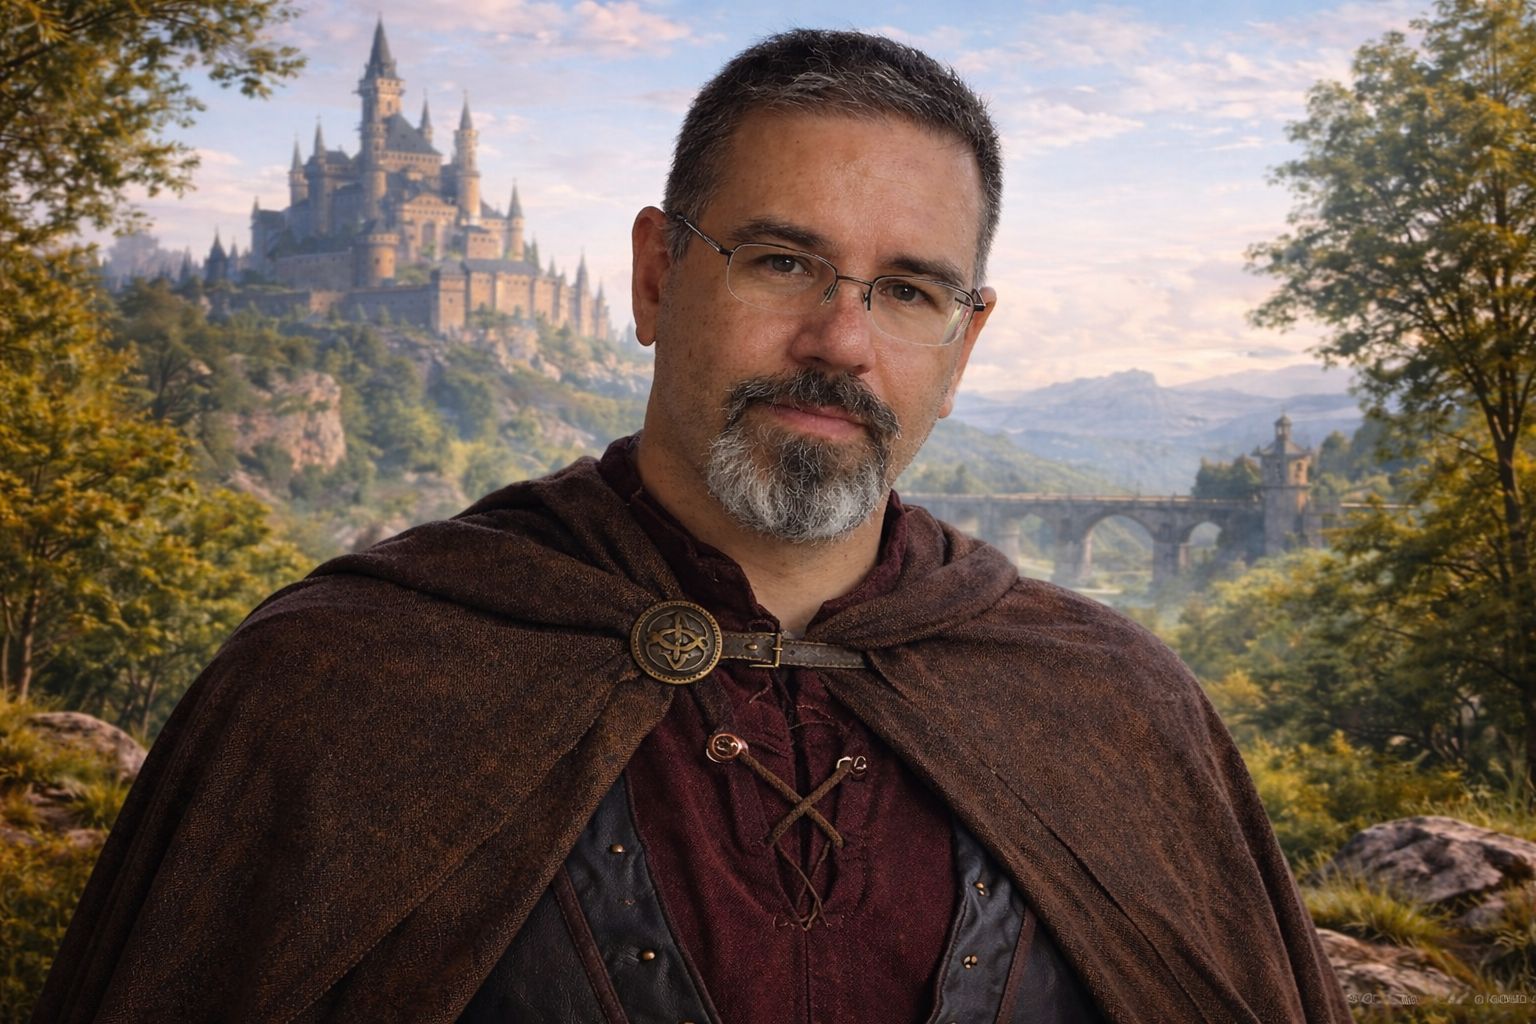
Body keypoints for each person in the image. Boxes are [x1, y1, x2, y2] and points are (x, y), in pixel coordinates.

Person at [35, 29, 1351, 1024]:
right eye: (783, 261)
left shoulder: (1117, 710)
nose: (839, 340)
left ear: (962, 344)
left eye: (904, 290)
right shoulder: (337, 687)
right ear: (658, 274)